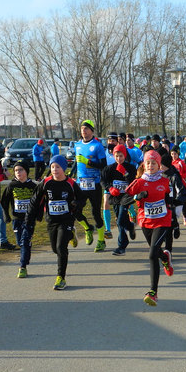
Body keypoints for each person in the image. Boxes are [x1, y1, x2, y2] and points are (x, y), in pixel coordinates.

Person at [26, 155, 85, 290]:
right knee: (54, 249)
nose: (54, 170)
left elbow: (82, 199)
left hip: (66, 219)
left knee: (60, 248)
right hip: (52, 220)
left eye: (57, 167)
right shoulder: (46, 183)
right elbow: (35, 201)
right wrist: (29, 217)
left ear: (63, 168)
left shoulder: (71, 183)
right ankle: (71, 235)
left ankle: (61, 278)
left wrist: (77, 204)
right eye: (52, 167)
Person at [126, 150, 174, 307]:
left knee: (152, 253)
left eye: (154, 163)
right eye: (148, 163)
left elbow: (170, 201)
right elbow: (124, 197)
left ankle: (153, 292)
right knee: (156, 251)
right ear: (144, 165)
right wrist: (136, 197)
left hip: (162, 221)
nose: (151, 165)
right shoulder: (139, 182)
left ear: (158, 165)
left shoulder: (165, 182)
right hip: (146, 221)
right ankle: (165, 258)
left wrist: (175, 221)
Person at [70, 120, 108, 252]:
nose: (83, 131)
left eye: (86, 129)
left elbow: (103, 165)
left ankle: (101, 240)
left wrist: (88, 162)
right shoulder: (77, 145)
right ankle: (87, 228)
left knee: (96, 213)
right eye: (82, 129)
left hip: (95, 184)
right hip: (81, 184)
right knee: (74, 209)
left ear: (92, 131)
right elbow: (76, 161)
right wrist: (71, 173)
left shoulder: (97, 146)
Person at [1, 161, 37, 278]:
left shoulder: (33, 186)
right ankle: (25, 254)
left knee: (25, 241)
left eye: (21, 170)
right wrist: (6, 215)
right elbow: (4, 202)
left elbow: (40, 201)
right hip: (17, 219)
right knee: (20, 242)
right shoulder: (12, 186)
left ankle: (22, 267)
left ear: (26, 171)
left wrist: (39, 214)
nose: (18, 172)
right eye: (16, 170)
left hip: (29, 219)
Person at [101, 145, 137, 256]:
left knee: (120, 220)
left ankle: (122, 246)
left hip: (127, 197)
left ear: (124, 155)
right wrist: (110, 188)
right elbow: (103, 181)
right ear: (113, 156)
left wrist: (125, 174)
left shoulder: (130, 168)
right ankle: (130, 226)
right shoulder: (109, 168)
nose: (119, 158)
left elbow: (134, 182)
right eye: (116, 156)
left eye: (121, 156)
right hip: (116, 198)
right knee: (121, 220)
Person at [170, 146, 186, 225]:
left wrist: (180, 176)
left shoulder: (181, 162)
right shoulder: (170, 163)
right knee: (174, 201)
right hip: (172, 186)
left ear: (178, 154)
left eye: (175, 154)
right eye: (172, 154)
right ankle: (174, 217)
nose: (173, 156)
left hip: (181, 184)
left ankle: (185, 216)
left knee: (183, 201)